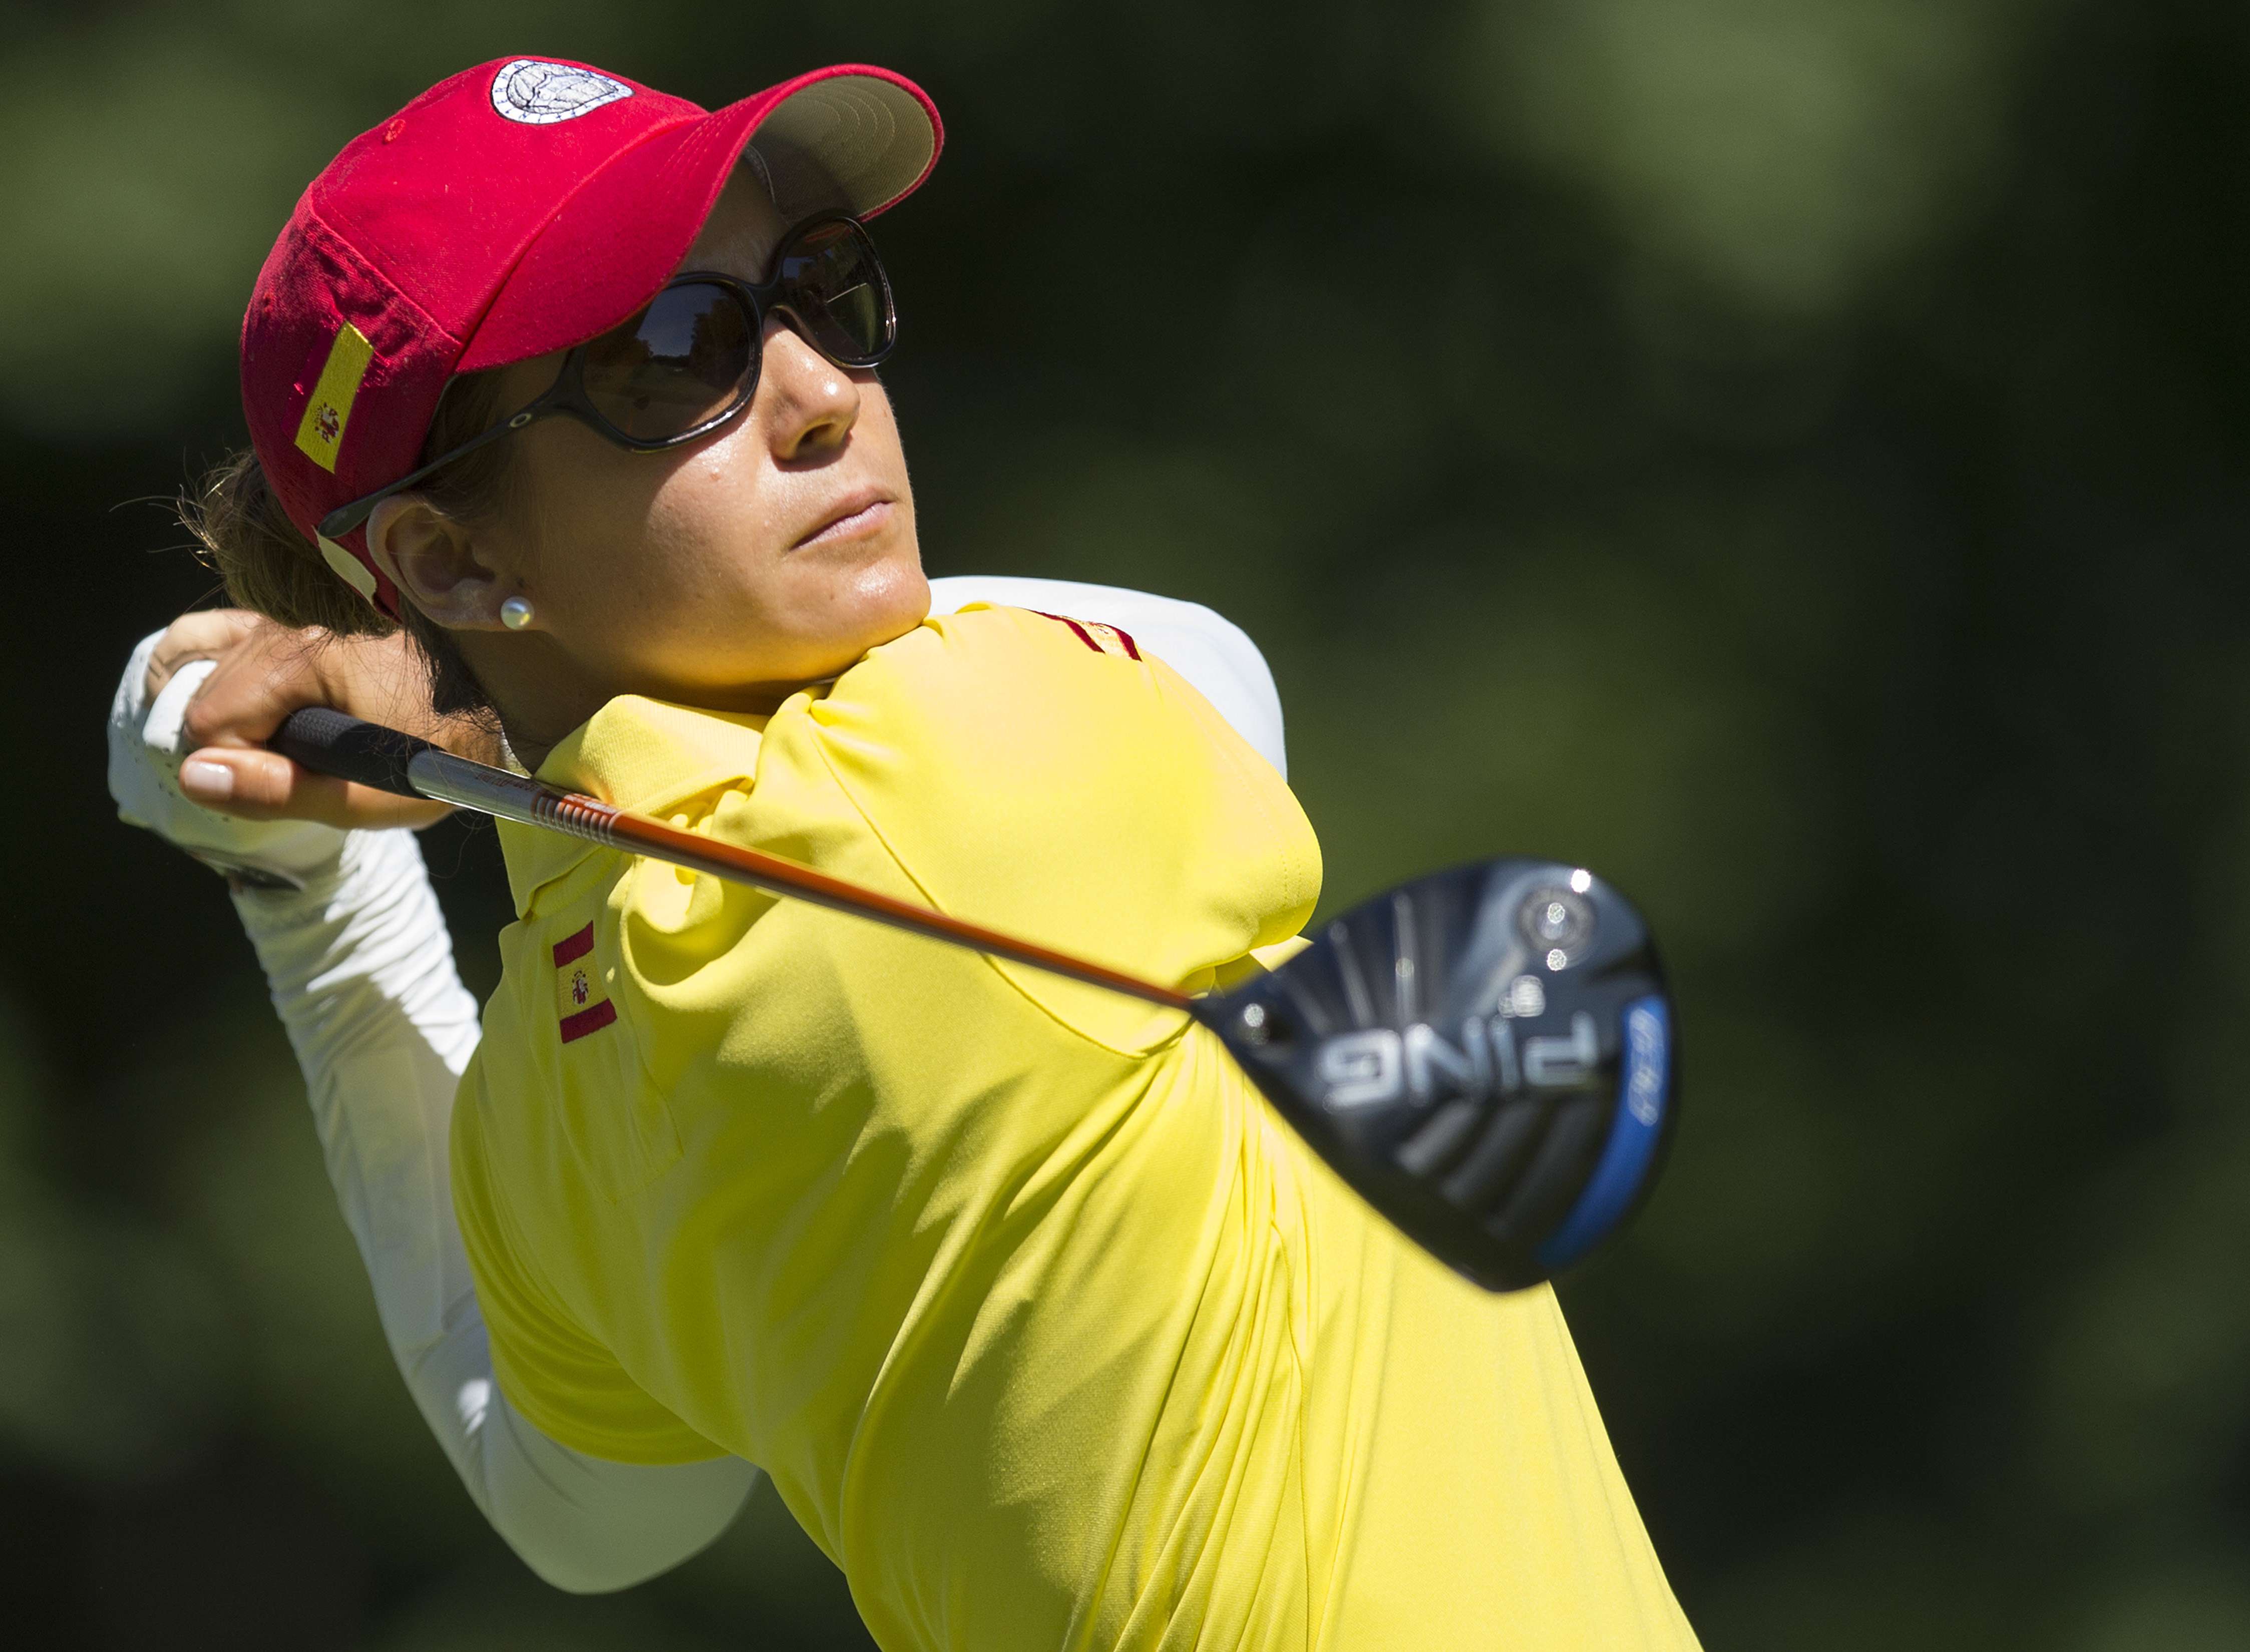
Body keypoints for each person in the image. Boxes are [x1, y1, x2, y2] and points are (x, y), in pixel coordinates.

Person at [107, 56, 1697, 1651]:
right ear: (446, 555)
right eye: (676, 358)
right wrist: (449, 729)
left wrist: (315, 898)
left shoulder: (542, 1114)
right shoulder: (982, 769)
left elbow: (575, 1514)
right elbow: (1220, 667)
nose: (819, 394)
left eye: (817, 291)